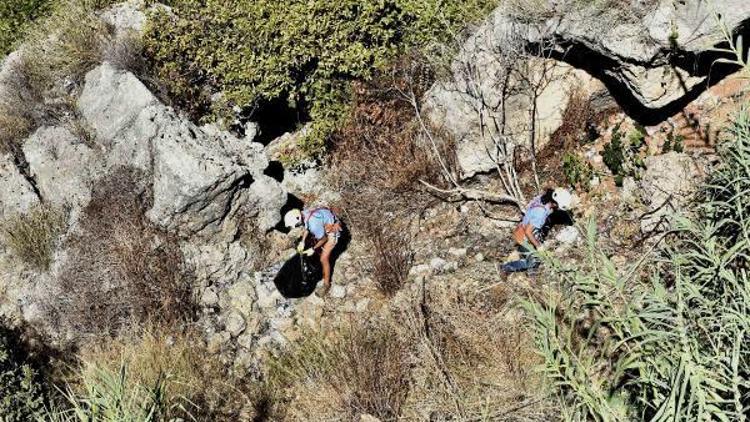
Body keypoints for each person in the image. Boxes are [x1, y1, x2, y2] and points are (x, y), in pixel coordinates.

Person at [502, 188, 573, 273]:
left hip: (522, 227)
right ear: (555, 203)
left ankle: (530, 271)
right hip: (524, 237)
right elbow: (528, 232)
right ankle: (505, 268)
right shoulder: (541, 212)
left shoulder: (542, 198)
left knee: (535, 258)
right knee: (532, 263)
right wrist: (538, 246)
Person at [284, 206, 343, 294]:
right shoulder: (304, 213)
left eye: (296, 225)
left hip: (332, 230)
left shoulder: (314, 224)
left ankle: (326, 285)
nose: (297, 226)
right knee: (312, 240)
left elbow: (324, 238)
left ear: (298, 219)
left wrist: (313, 248)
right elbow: (307, 227)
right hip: (325, 221)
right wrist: (303, 241)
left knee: (323, 259)